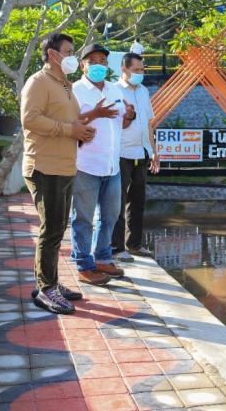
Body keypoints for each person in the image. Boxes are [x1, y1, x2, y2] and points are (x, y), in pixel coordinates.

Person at [21, 32, 96, 314]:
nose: (73, 57)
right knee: (51, 230)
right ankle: (46, 289)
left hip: (65, 166)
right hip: (44, 167)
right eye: (69, 51)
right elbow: (29, 119)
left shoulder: (64, 85)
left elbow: (68, 121)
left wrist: (82, 131)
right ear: (53, 54)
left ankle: (51, 281)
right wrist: (70, 130)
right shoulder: (38, 82)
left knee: (57, 229)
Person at [70, 43, 136, 285]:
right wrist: (94, 114)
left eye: (103, 61)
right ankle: (84, 264)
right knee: (83, 218)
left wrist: (129, 116)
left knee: (110, 216)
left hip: (112, 166)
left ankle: (103, 257)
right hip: (85, 165)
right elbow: (68, 121)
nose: (99, 65)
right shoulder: (75, 90)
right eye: (93, 61)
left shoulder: (115, 90)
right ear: (82, 65)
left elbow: (121, 124)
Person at [112, 52, 160, 262]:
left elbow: (148, 123)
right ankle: (117, 247)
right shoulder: (114, 90)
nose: (141, 73)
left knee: (138, 200)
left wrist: (154, 151)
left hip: (141, 153)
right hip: (121, 153)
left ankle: (135, 244)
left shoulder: (143, 91)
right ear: (124, 69)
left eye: (142, 69)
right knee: (117, 201)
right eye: (137, 70)